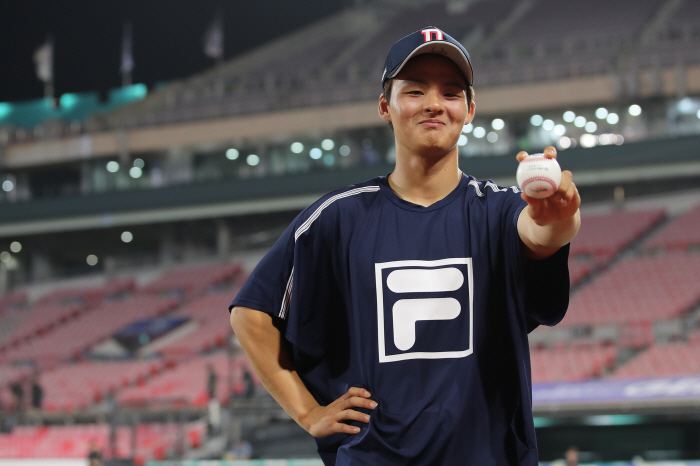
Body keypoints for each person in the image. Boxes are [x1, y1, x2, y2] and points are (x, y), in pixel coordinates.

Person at [229, 26, 580, 465]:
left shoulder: (499, 209)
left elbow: (541, 233)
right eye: (415, 91)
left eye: (451, 93)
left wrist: (560, 217)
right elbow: (251, 313)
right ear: (385, 106)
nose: (435, 103)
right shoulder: (339, 218)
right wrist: (307, 412)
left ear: (469, 110)